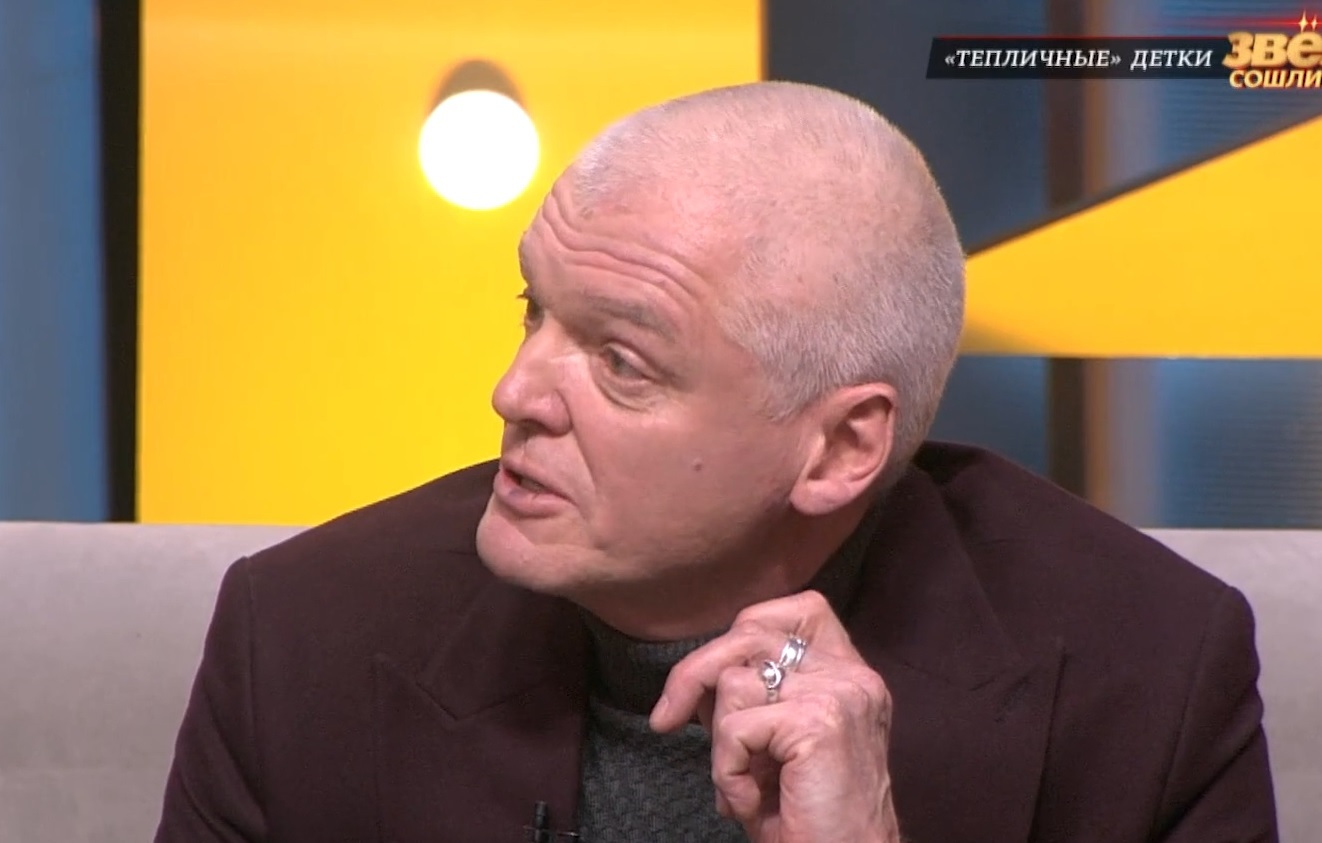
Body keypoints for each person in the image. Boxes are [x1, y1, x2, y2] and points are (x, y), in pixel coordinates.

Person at [154, 81, 1277, 843]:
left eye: (621, 362)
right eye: (533, 310)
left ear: (840, 447)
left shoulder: (1145, 676)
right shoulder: (300, 638)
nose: (514, 393)